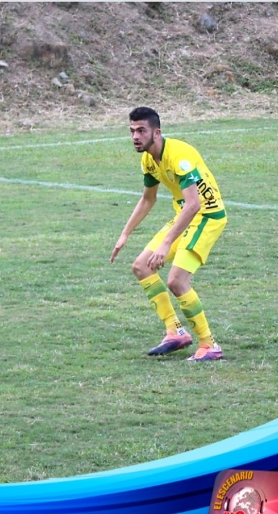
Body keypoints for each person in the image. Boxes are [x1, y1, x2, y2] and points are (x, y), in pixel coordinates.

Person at [110, 107, 227, 361]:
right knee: (142, 266)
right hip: (185, 214)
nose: (135, 137)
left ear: (157, 132)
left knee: (176, 281)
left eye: (141, 130)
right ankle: (175, 332)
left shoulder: (180, 156)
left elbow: (195, 204)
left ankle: (209, 345)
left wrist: (166, 244)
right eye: (132, 131)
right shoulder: (149, 160)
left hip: (208, 216)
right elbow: (147, 199)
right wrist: (125, 234)